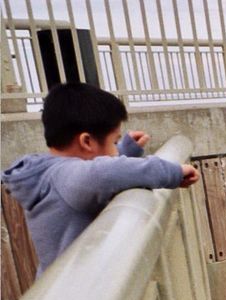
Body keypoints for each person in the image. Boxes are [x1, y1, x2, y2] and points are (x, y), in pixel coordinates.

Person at [2, 82, 200, 275]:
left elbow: (95, 168)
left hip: (57, 289)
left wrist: (125, 149)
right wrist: (174, 172)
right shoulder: (67, 177)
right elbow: (105, 172)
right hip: (80, 295)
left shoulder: (49, 171)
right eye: (114, 142)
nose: (116, 150)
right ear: (87, 141)